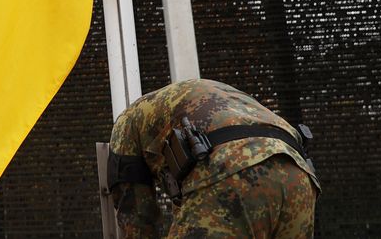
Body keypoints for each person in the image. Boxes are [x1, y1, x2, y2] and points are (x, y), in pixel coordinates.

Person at [107, 79, 319, 238]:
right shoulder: (211, 96)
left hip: (233, 170)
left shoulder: (126, 123)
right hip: (299, 175)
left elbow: (136, 216)